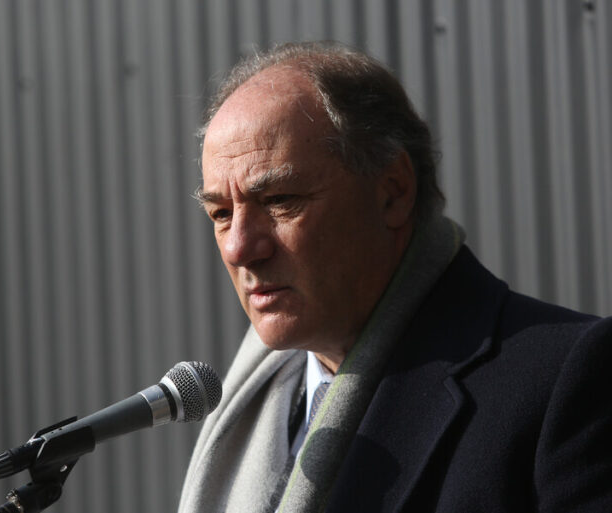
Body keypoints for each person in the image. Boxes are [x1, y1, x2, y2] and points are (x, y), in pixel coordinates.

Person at [177, 41, 612, 513]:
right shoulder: (255, 401)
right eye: (221, 213)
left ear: (393, 192)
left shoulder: (569, 378)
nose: (240, 248)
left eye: (280, 200)